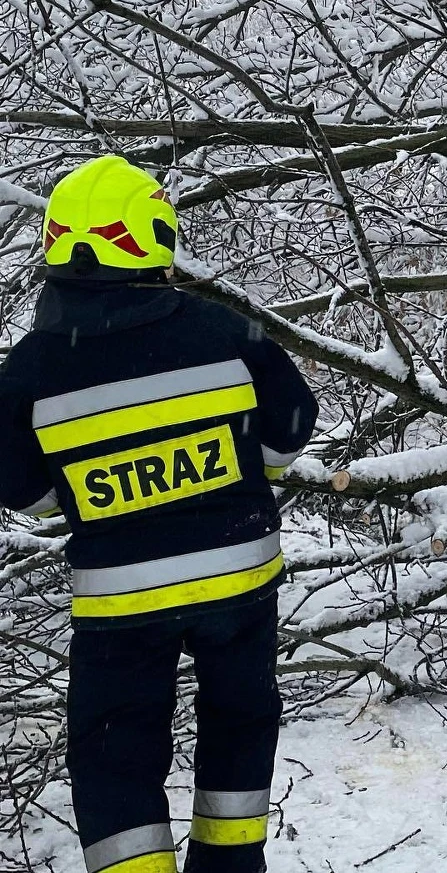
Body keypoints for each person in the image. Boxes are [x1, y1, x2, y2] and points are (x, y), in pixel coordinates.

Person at [0, 156, 318, 873]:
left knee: (114, 750)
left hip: (121, 602)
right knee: (240, 719)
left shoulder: (29, 370)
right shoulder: (223, 330)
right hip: (238, 582)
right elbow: (293, 421)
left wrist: (94, 500)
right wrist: (246, 474)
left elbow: (22, 490)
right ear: (153, 238)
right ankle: (230, 863)